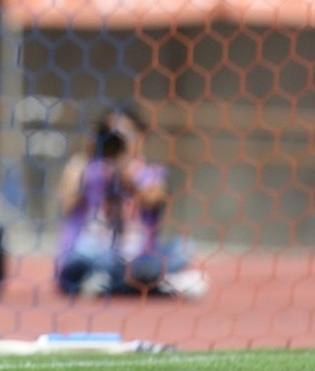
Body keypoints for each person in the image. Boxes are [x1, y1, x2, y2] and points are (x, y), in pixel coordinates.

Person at [55, 104, 206, 299]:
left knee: (181, 250)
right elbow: (66, 206)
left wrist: (128, 173)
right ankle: (158, 286)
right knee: (79, 261)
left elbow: (154, 199)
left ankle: (108, 285)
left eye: (126, 134)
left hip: (136, 257)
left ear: (141, 137)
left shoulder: (150, 173)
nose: (118, 140)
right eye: (112, 134)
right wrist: (90, 162)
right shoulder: (85, 168)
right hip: (94, 252)